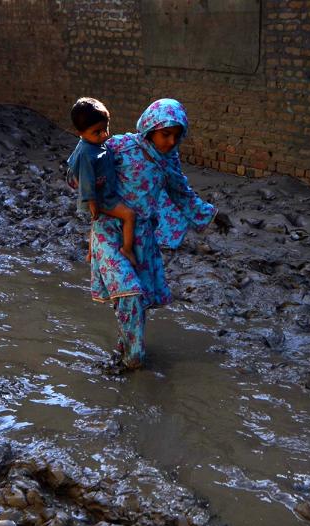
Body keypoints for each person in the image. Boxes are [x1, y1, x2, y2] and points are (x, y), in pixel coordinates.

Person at [69, 98, 229, 370]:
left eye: (176, 137)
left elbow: (182, 194)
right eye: (165, 134)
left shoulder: (168, 162)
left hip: (141, 236)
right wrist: (85, 186)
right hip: (108, 230)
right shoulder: (119, 146)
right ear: (150, 128)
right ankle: (134, 361)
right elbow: (82, 161)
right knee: (128, 292)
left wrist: (214, 214)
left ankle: (125, 346)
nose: (169, 142)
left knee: (137, 301)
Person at [65, 97, 136, 266]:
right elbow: (87, 180)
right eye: (97, 132)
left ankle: (91, 254)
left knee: (96, 225)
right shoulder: (87, 153)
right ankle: (127, 249)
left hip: (100, 192)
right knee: (129, 215)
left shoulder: (92, 144)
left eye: (105, 129)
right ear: (80, 133)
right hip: (99, 198)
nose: (104, 135)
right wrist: (92, 202)